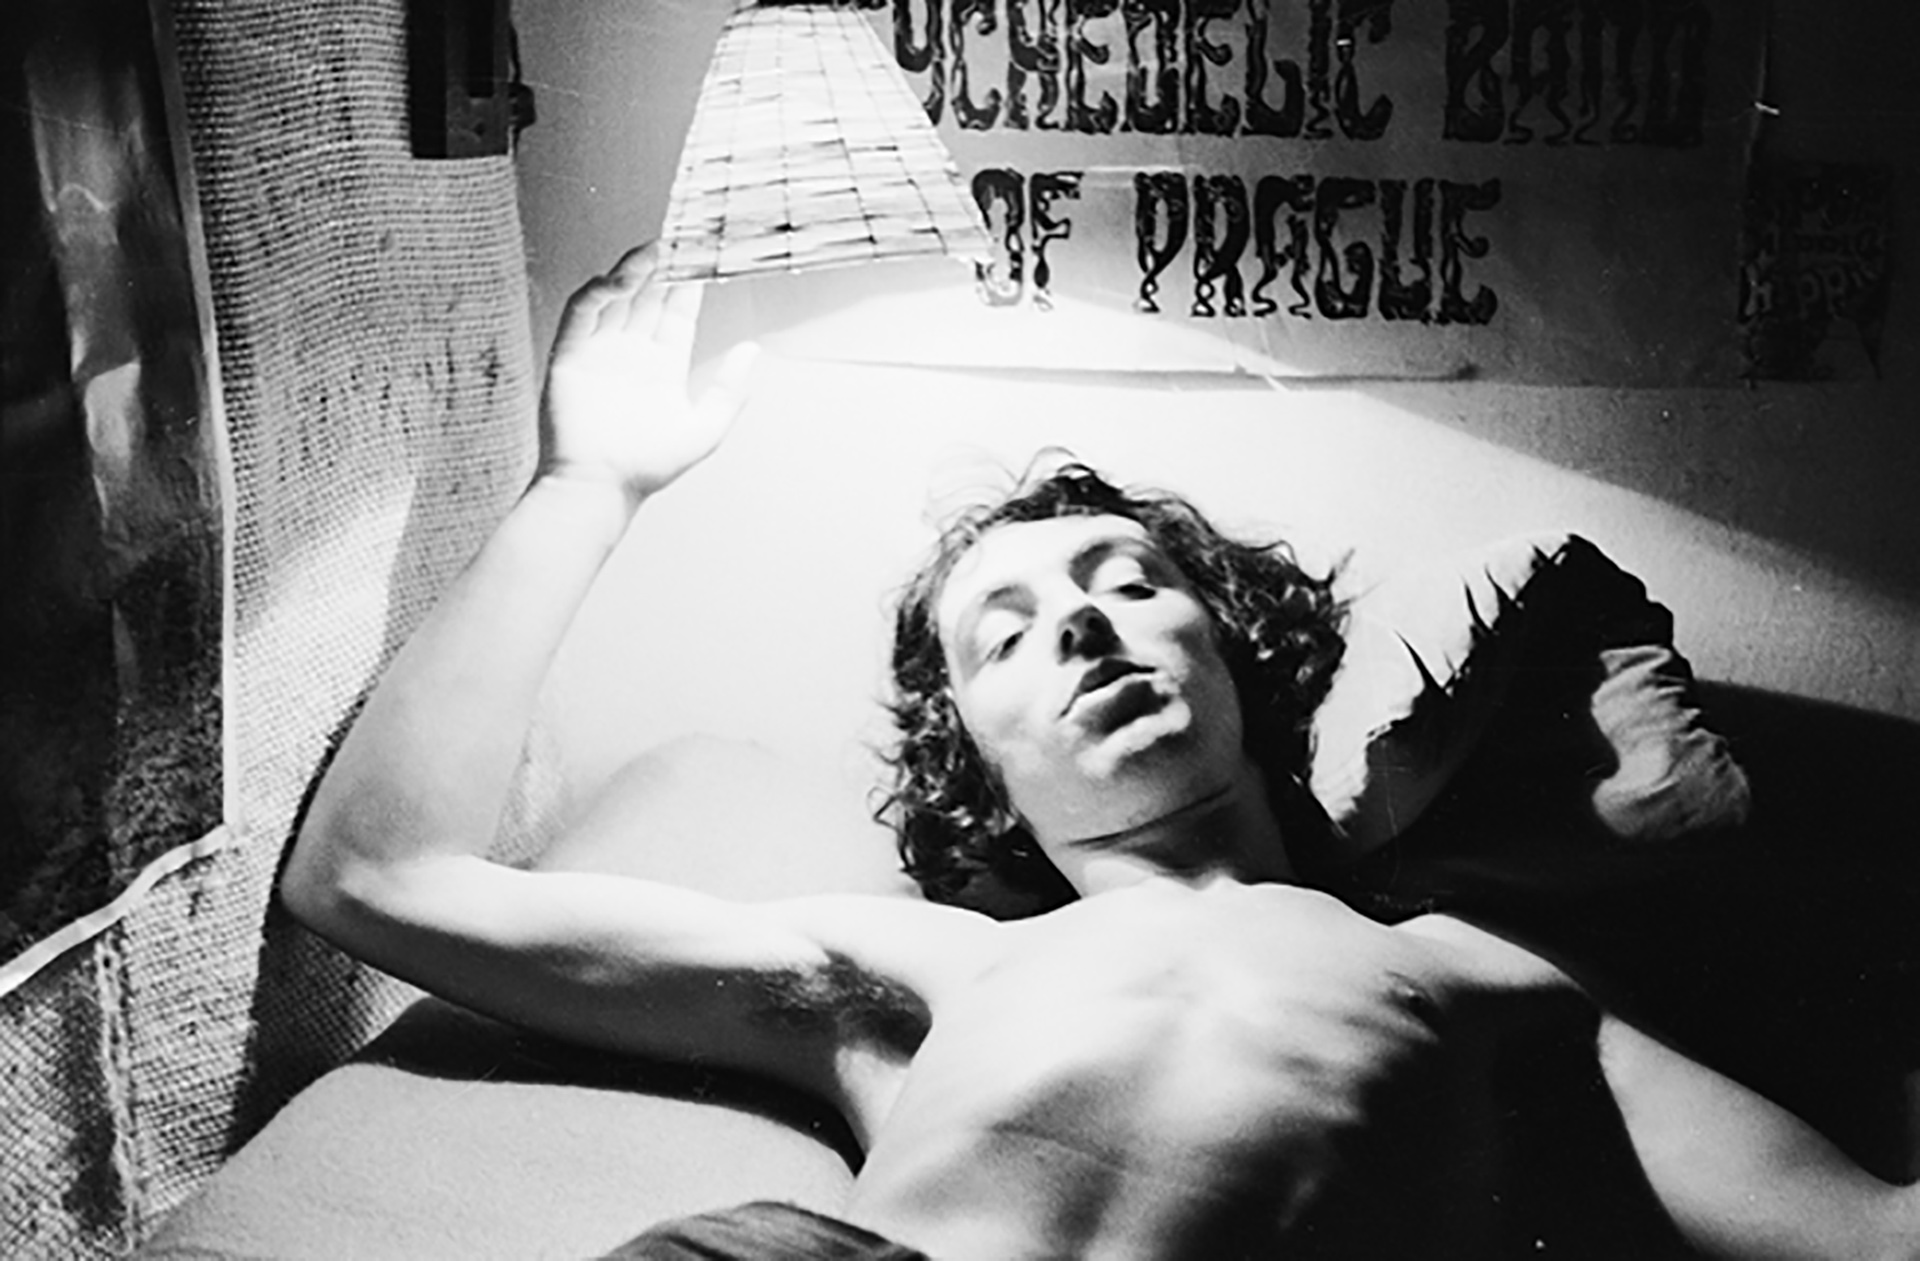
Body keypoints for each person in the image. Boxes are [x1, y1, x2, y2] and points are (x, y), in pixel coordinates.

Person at [281, 246, 1920, 1260]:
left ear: (1235, 650)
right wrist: (591, 486)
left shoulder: (1479, 975)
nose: (1078, 622)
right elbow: (377, 876)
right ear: (979, 767)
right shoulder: (917, 966)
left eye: (1127, 582)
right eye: (1005, 633)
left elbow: (1863, 1230)